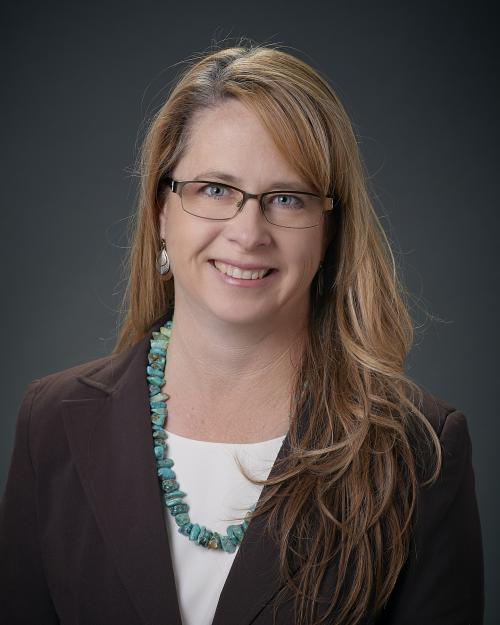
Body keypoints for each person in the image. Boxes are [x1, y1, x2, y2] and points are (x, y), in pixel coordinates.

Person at [0, 41, 484, 625]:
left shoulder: (418, 453)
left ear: (328, 233)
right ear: (160, 209)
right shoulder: (52, 422)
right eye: (215, 190)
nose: (248, 232)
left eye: (286, 198)